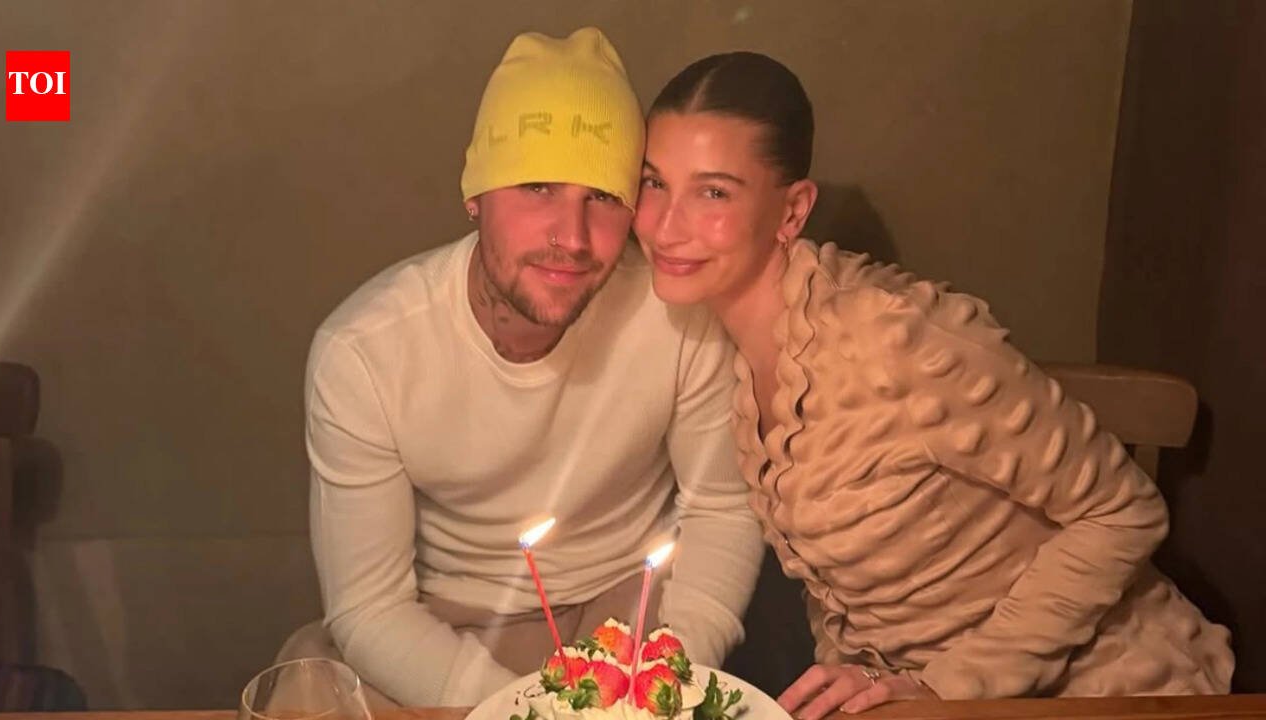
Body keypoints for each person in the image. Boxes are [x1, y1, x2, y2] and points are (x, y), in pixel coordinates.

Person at [631, 51, 1235, 716]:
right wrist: (861, 679)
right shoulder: (732, 354)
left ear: (793, 211)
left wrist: (950, 685)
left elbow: (1122, 512)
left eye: (713, 192)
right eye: (654, 182)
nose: (665, 225)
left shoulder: (899, 338)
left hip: (1105, 687)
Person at [279, 29, 763, 708]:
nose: (571, 236)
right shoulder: (364, 353)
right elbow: (368, 607)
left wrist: (667, 676)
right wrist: (527, 711)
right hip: (454, 626)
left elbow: (722, 509)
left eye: (604, 197)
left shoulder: (678, 314)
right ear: (475, 194)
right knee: (306, 690)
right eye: (538, 186)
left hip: (634, 615)